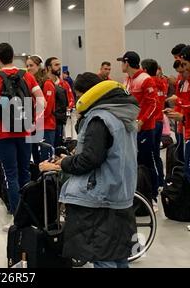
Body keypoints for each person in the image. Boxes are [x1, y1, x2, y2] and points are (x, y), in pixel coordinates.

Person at [40, 72, 139, 268]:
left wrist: (65, 163)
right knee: (118, 255)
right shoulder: (120, 114)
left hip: (99, 198)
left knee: (102, 256)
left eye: (78, 95)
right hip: (121, 193)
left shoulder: (99, 118)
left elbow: (89, 159)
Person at [0, 43, 45, 231]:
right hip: (24, 131)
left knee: (10, 175)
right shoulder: (27, 76)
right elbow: (42, 101)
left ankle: (17, 218)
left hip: (2, 133)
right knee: (25, 173)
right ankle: (29, 217)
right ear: (13, 56)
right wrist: (34, 121)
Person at [119, 51, 159, 211]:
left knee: (146, 163)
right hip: (130, 129)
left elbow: (153, 104)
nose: (121, 64)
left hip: (144, 130)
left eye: (122, 62)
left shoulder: (145, 79)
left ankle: (153, 196)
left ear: (127, 63)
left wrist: (141, 121)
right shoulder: (127, 80)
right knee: (132, 163)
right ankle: (136, 194)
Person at [142, 59, 168, 188]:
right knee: (156, 154)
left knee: (151, 155)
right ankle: (160, 180)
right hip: (159, 121)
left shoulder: (148, 83)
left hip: (152, 123)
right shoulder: (163, 82)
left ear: (145, 70)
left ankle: (156, 183)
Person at [166, 46, 190, 183]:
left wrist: (182, 116)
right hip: (185, 127)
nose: (184, 70)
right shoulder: (183, 81)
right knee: (185, 170)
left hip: (185, 125)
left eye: (185, 65)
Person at [26, 55, 55, 163]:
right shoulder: (32, 83)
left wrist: (35, 122)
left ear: (39, 66)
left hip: (45, 126)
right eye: (27, 66)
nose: (28, 68)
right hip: (34, 126)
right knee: (37, 158)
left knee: (46, 159)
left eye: (31, 65)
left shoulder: (47, 84)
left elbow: (47, 108)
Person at [44, 57, 73, 147]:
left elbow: (71, 100)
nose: (59, 67)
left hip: (59, 121)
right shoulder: (43, 83)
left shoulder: (64, 84)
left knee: (57, 147)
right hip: (46, 122)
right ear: (49, 67)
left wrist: (68, 108)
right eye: (56, 65)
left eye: (59, 64)